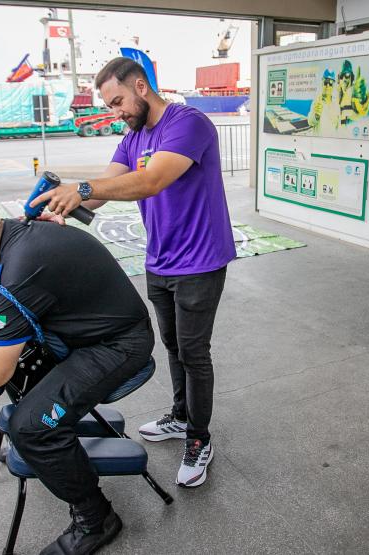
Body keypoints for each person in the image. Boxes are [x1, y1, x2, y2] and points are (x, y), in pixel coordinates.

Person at [31, 57, 236, 488]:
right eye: (110, 105)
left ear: (141, 87)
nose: (116, 112)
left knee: (194, 352)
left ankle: (199, 438)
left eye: (118, 101)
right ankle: (181, 416)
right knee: (174, 346)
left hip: (200, 262)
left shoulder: (188, 124)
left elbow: (150, 181)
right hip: (159, 260)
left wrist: (82, 189)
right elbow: (104, 189)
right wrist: (60, 207)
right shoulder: (133, 137)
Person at [0, 189, 154, 555]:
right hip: (79, 334)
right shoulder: (7, 244)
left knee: (31, 428)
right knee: (26, 382)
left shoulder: (20, 270)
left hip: (118, 344)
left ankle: (96, 519)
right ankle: (53, 455)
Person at [308, 68, 340, 134]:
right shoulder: (317, 101)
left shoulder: (336, 105)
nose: (328, 85)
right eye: (326, 82)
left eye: (330, 83)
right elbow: (310, 122)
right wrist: (316, 116)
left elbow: (338, 126)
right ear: (322, 83)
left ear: (333, 85)